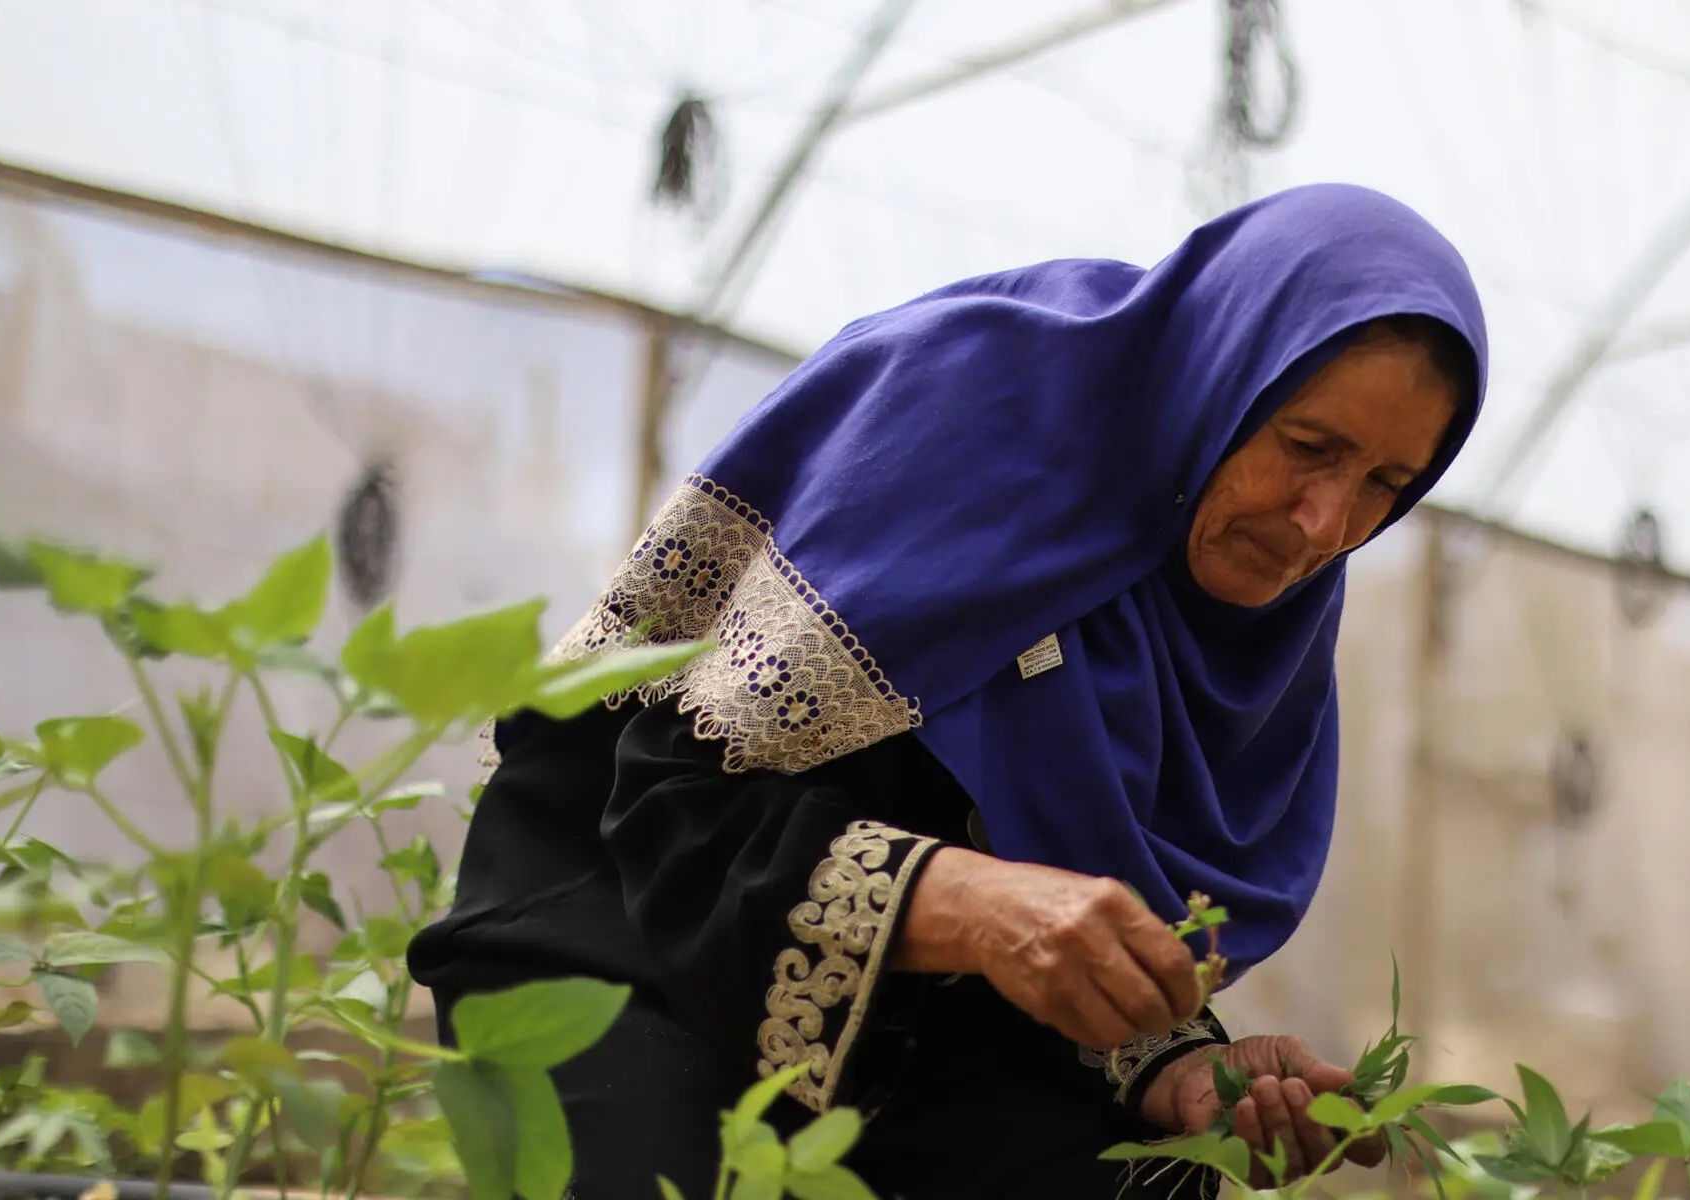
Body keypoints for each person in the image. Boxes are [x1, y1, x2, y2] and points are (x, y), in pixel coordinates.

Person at [405, 182, 1487, 1198]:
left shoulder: (1259, 627)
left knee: (1155, 1174)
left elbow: (1056, 891)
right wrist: (965, 904)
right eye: (1306, 446)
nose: (1323, 526)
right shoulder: (973, 416)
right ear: (1223, 371)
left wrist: (1169, 1065)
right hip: (626, 928)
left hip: (903, 1024)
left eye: (1386, 486)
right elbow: (672, 806)